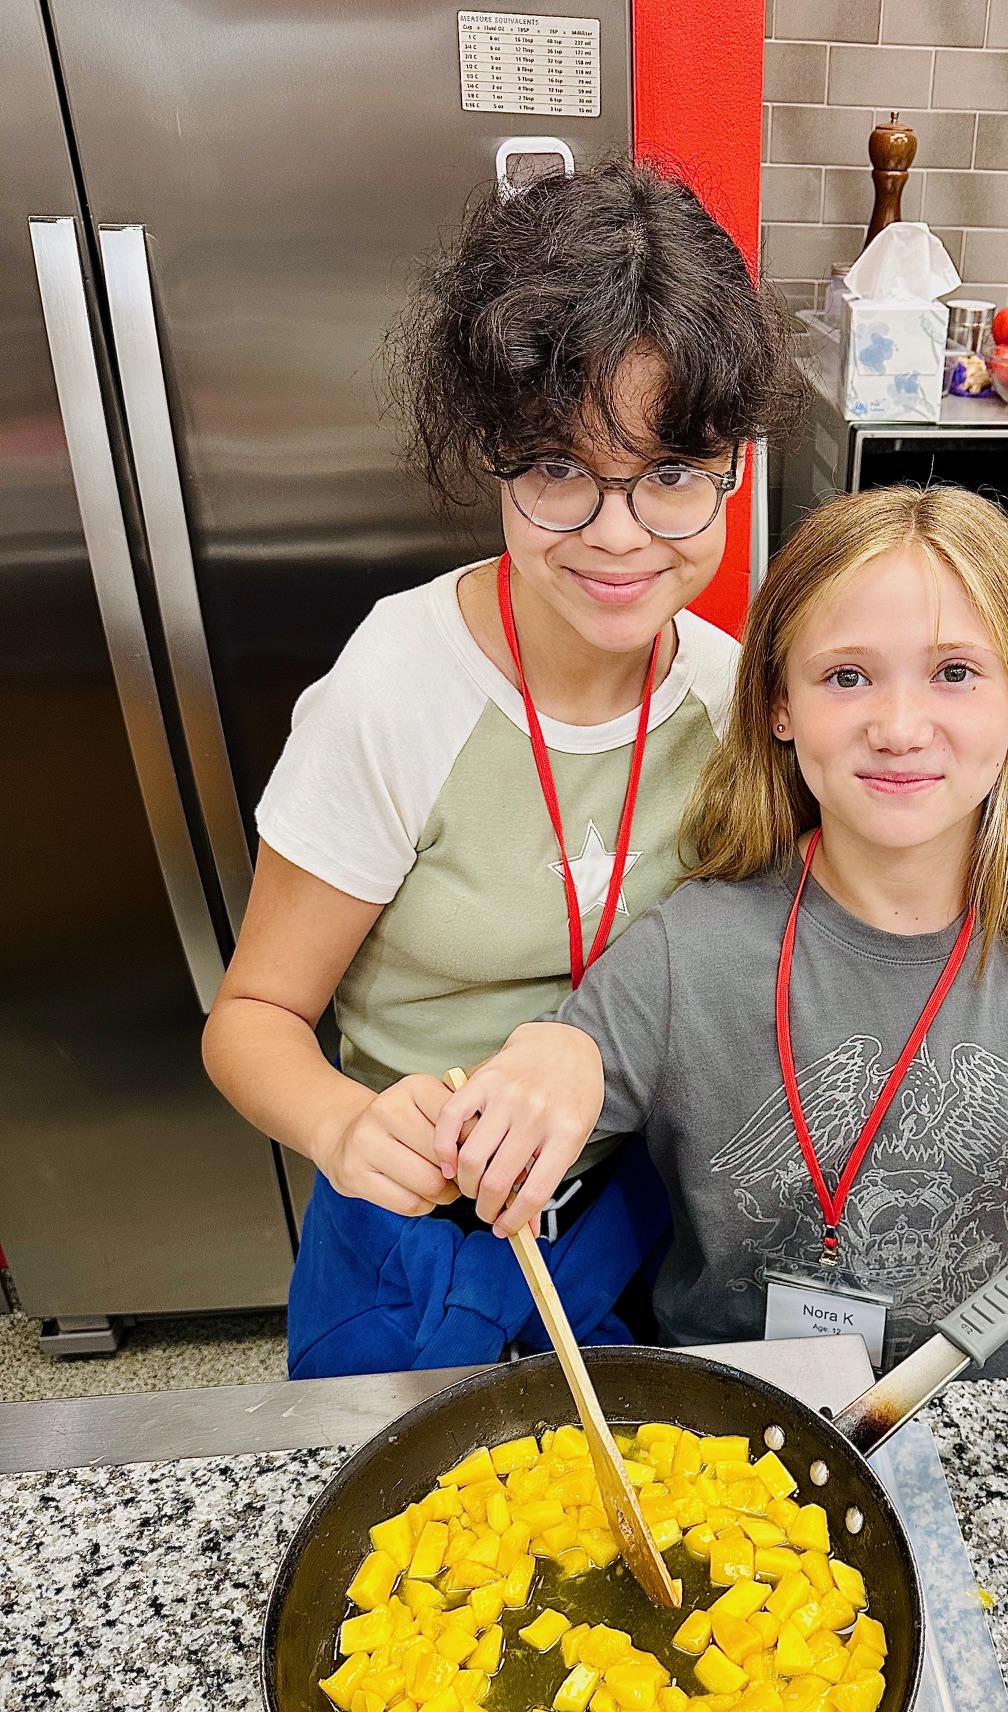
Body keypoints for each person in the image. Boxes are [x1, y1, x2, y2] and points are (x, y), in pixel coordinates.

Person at [201, 160, 801, 1377]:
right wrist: (346, 1121)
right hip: (412, 1234)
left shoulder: (738, 702)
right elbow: (251, 1020)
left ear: (734, 465)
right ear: (492, 455)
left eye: (674, 476)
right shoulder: (393, 693)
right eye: (558, 470)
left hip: (635, 1211)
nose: (619, 535)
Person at [433, 485, 1008, 1371]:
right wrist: (543, 1054)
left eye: (955, 673)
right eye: (846, 676)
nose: (901, 728)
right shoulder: (695, 945)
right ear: (779, 707)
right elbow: (545, 1092)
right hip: (727, 1413)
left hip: (985, 1398)